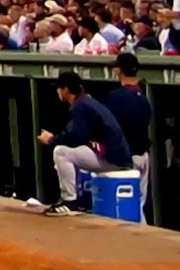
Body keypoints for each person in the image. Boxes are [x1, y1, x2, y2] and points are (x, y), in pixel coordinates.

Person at [38, 70, 131, 213]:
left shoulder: (81, 105)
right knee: (71, 153)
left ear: (66, 90)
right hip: (116, 156)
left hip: (113, 159)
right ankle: (79, 200)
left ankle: (69, 202)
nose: (58, 92)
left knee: (61, 152)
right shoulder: (86, 101)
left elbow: (78, 136)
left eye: (59, 88)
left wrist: (51, 139)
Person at [102, 51, 154, 212]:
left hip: (126, 158)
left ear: (120, 70)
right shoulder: (143, 94)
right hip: (143, 156)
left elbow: (106, 127)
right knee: (139, 205)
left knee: (125, 208)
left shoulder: (117, 96)